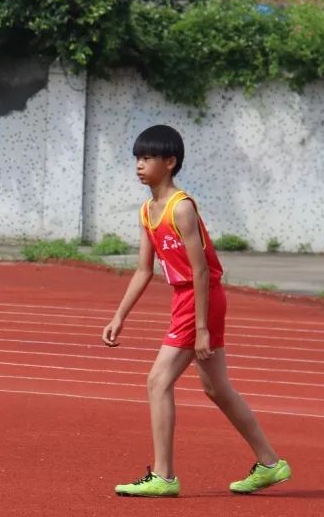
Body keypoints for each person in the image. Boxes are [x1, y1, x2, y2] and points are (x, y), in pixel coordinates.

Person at [102, 125, 290, 496]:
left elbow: (201, 269)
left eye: (147, 158)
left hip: (200, 298)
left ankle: (164, 476)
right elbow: (143, 270)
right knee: (216, 388)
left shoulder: (181, 207)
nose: (139, 165)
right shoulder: (147, 211)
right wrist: (119, 316)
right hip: (187, 299)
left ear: (169, 163)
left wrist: (202, 327)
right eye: (137, 158)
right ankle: (271, 463)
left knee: (158, 381)